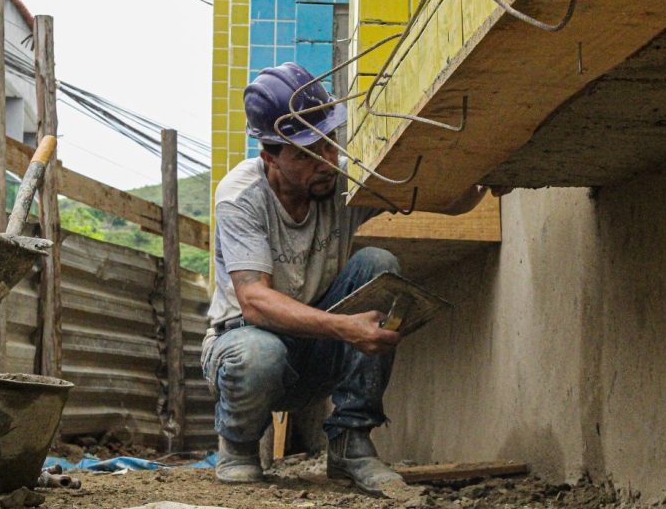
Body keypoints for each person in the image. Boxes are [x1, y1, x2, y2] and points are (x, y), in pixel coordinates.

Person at [201, 62, 486, 494]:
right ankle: (238, 446)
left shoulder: (338, 179)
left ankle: (351, 443)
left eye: (329, 144)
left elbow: (450, 201)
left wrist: (483, 167)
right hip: (245, 345)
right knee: (258, 354)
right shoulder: (241, 196)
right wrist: (344, 328)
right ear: (269, 156)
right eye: (305, 154)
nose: (327, 162)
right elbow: (254, 301)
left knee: (377, 262)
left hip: (317, 351)